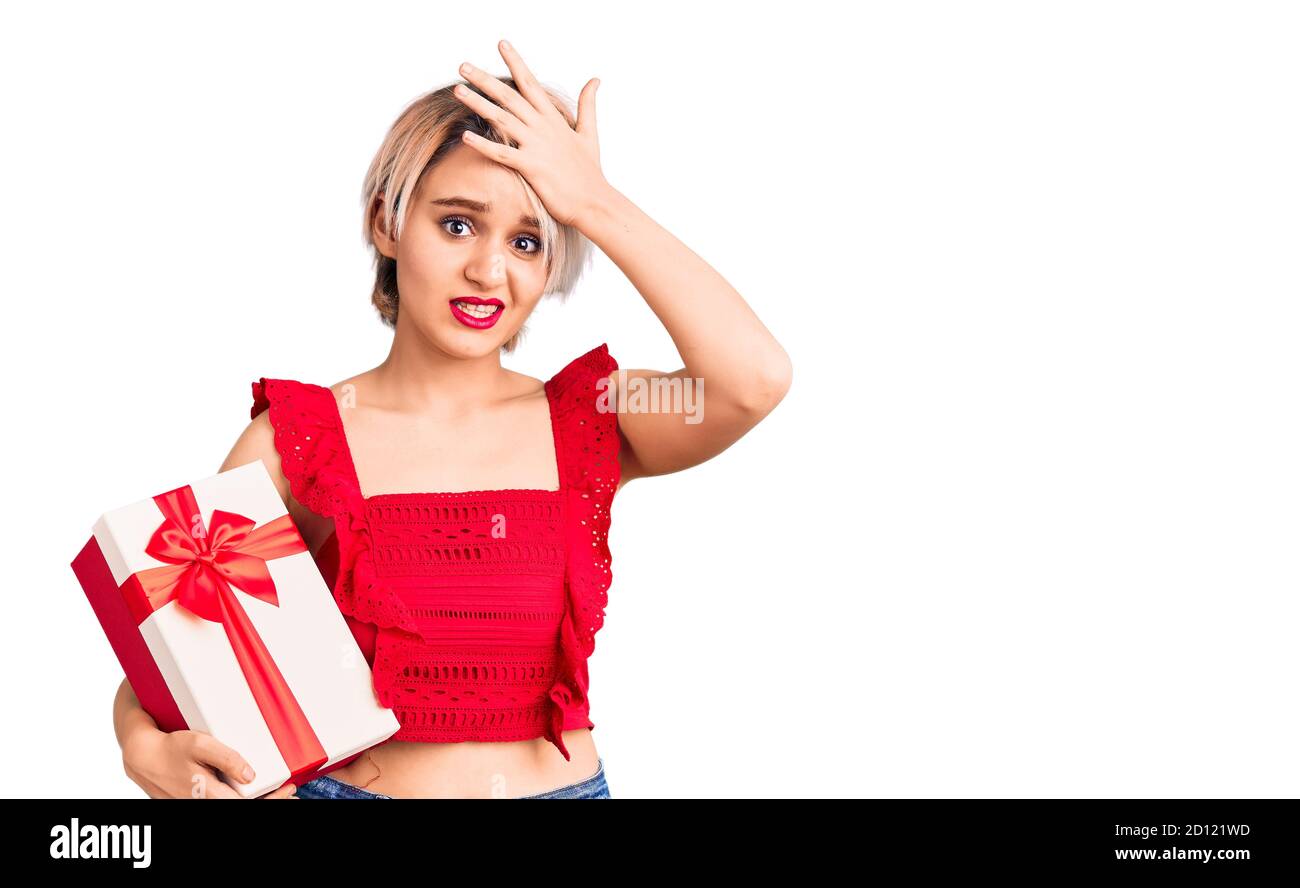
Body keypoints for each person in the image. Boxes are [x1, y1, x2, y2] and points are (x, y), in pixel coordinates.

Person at [112, 39, 791, 799]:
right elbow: (180, 650)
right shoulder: (299, 440)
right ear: (388, 224)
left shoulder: (594, 416)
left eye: (528, 241)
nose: (489, 271)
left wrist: (595, 203)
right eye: (458, 224)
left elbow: (752, 379)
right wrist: (141, 747)